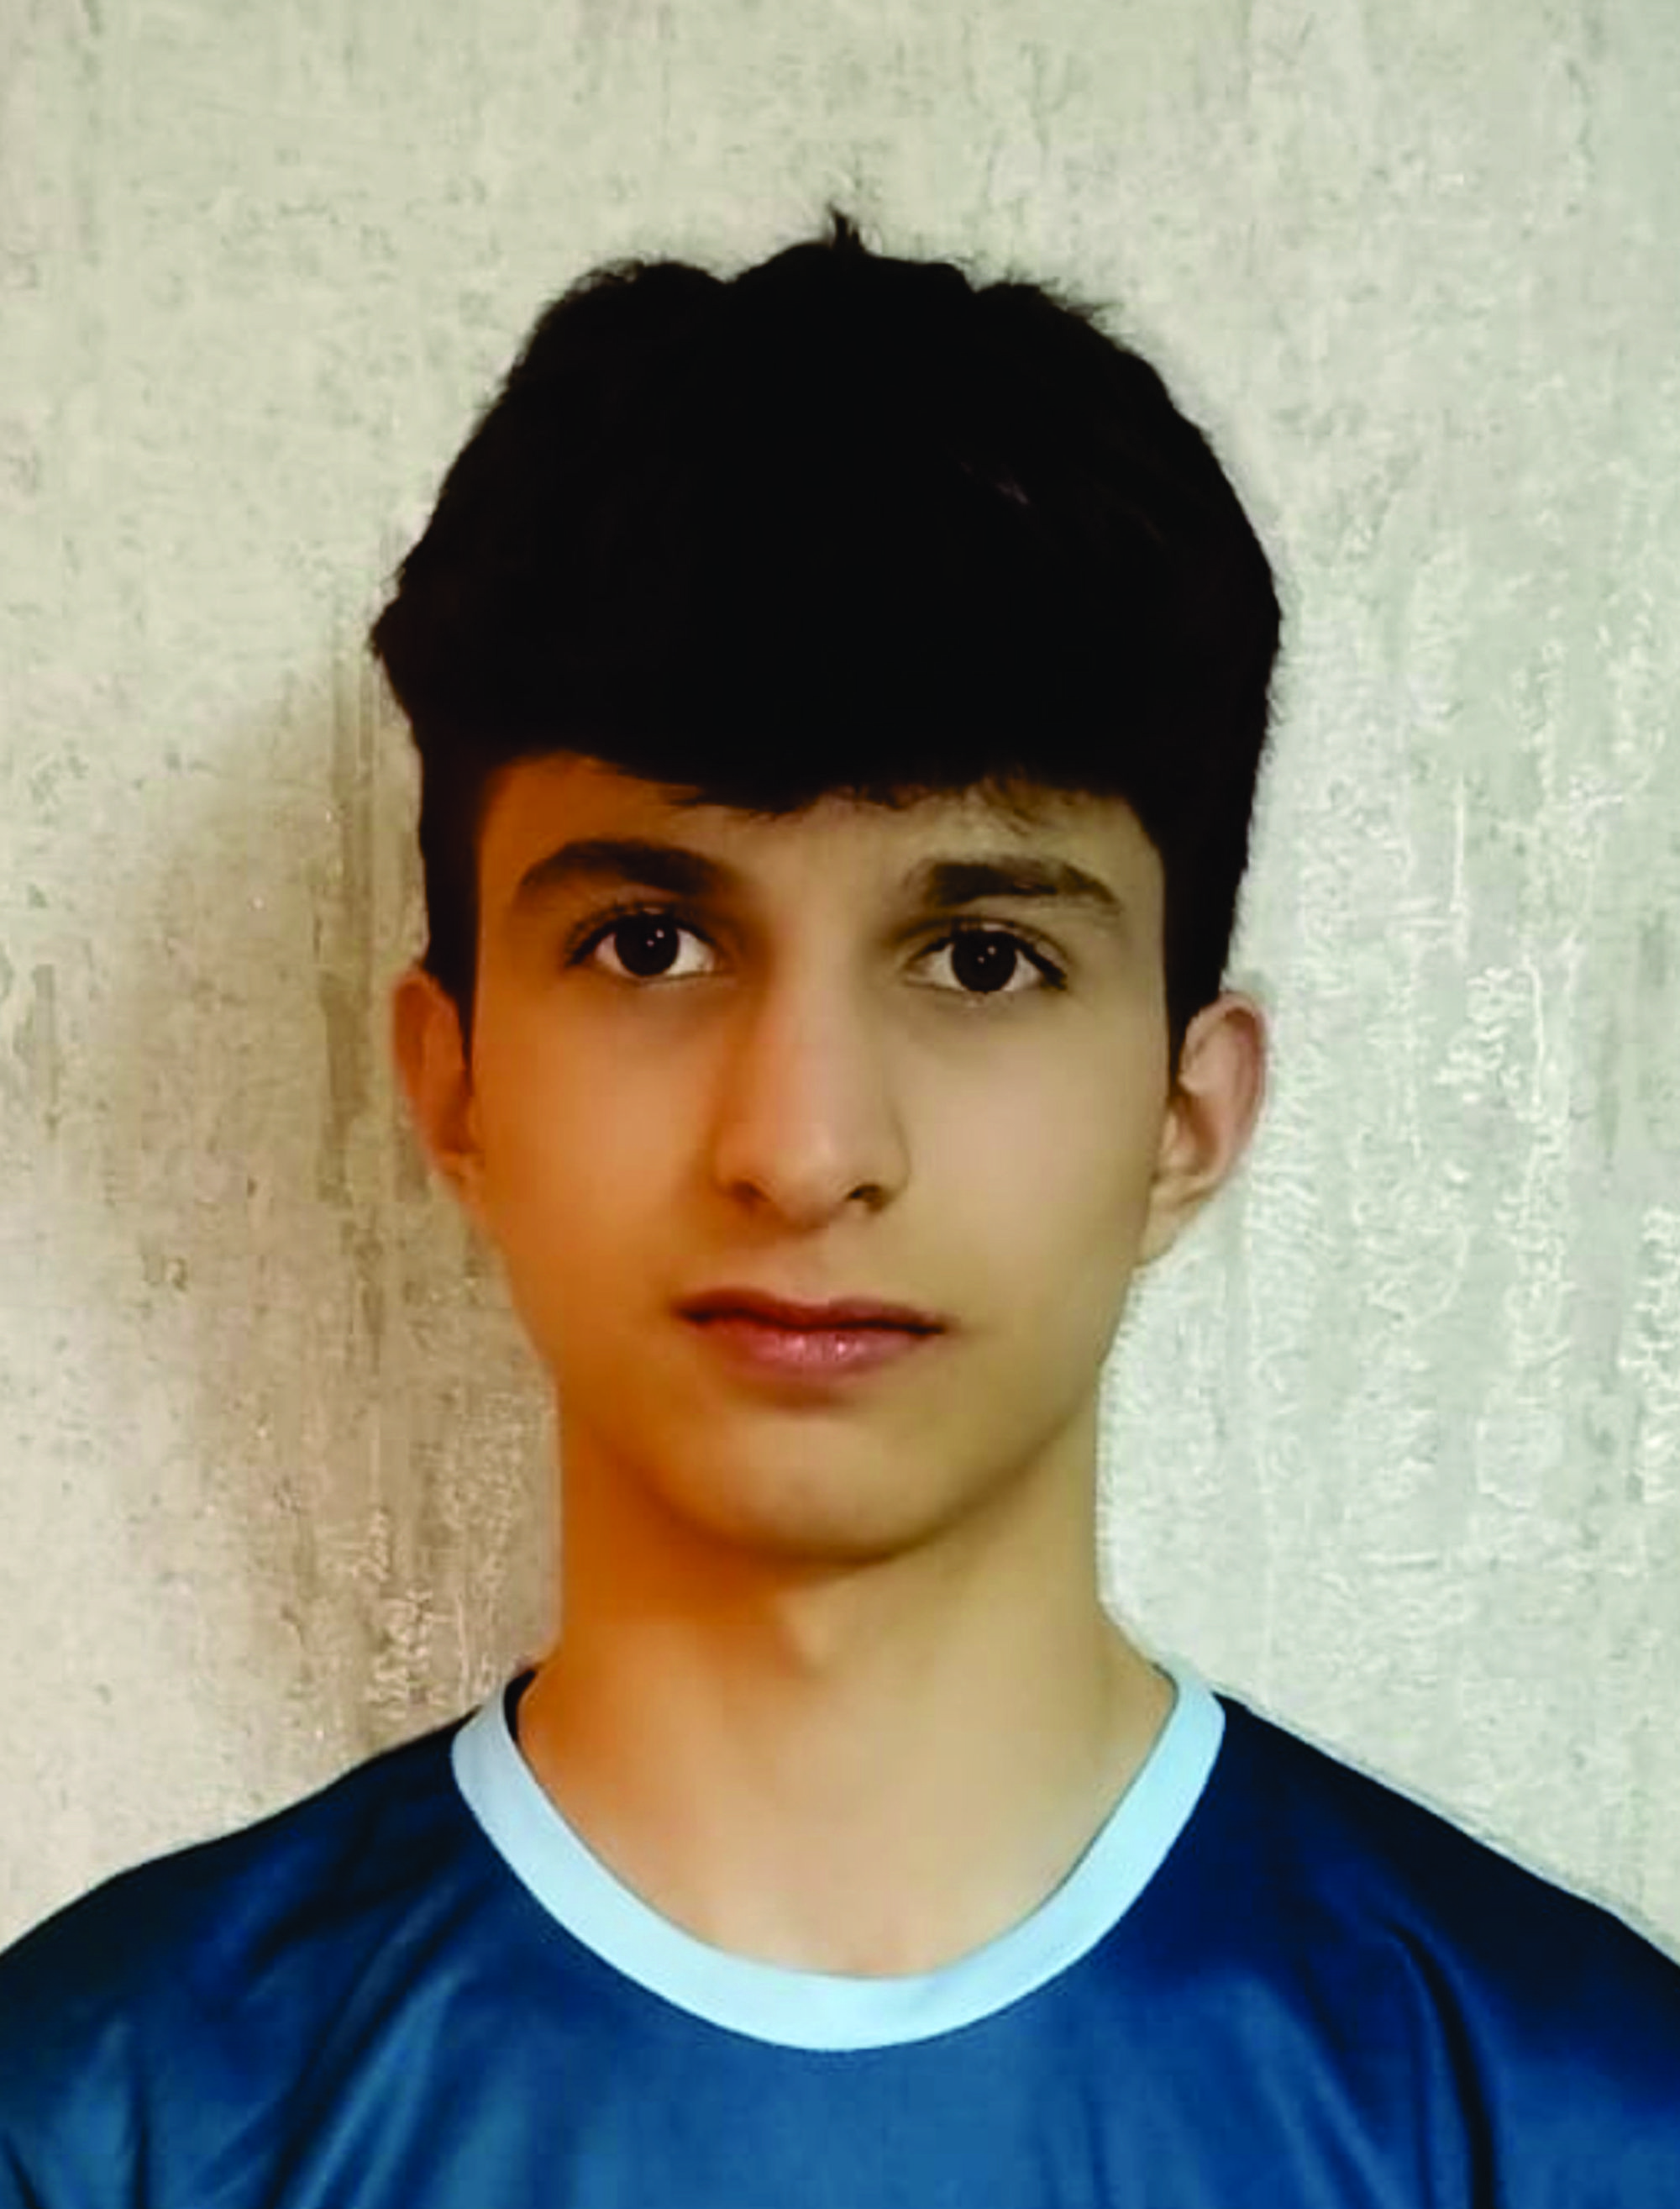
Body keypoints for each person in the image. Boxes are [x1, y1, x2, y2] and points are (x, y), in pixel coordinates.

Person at [2, 204, 1677, 2206]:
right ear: (454, 1083)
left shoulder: (1581, 2127)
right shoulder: (102, 2126)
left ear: (1186, 1112)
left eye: (981, 957)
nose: (802, 1151)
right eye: (648, 942)